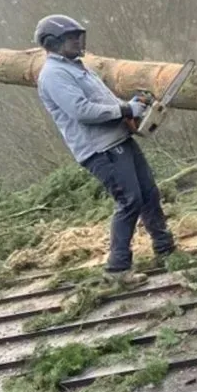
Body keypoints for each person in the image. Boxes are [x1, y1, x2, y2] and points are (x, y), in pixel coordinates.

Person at [33, 14, 178, 285]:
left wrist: (131, 105)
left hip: (119, 139)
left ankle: (164, 247)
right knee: (129, 200)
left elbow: (102, 101)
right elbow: (81, 111)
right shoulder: (53, 75)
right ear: (53, 42)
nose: (78, 42)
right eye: (71, 38)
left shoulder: (77, 67)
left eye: (79, 36)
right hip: (100, 149)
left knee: (148, 192)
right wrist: (125, 109)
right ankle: (117, 269)